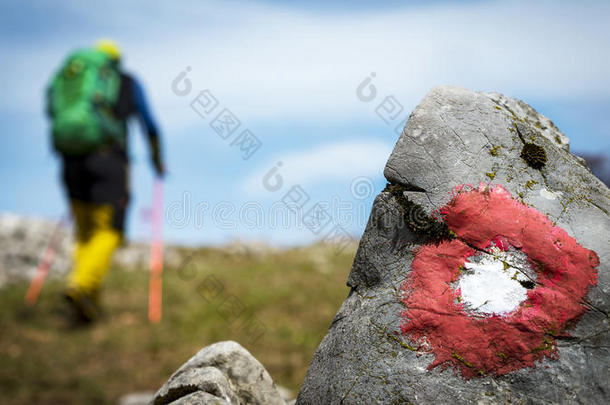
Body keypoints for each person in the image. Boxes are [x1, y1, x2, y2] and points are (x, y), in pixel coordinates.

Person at [46, 39, 165, 323]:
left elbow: (51, 110)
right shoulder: (125, 82)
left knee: (85, 232)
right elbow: (149, 124)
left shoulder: (71, 77)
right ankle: (81, 285)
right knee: (109, 230)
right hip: (108, 161)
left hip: (70, 160)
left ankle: (88, 307)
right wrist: (157, 161)